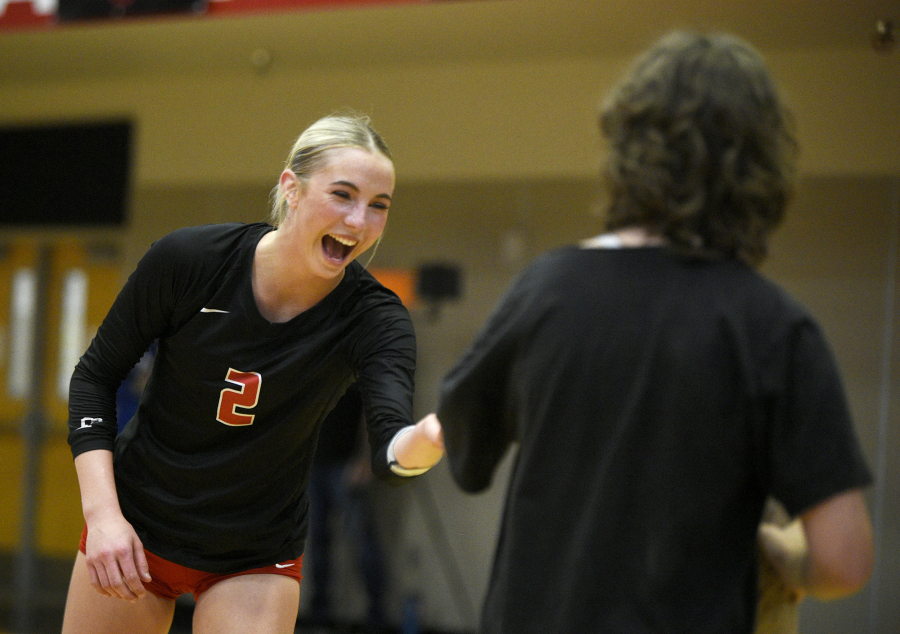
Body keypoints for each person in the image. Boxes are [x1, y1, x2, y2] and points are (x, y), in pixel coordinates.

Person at [430, 31, 875, 634]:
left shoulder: (545, 291)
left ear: (628, 149)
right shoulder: (774, 327)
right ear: (763, 167)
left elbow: (462, 438)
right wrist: (777, 553)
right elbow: (843, 560)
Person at [61, 112, 445, 634]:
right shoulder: (191, 261)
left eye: (379, 206)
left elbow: (389, 448)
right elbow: (93, 378)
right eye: (343, 195)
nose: (359, 221)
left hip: (255, 554)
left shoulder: (375, 317)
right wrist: (102, 515)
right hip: (137, 527)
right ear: (292, 187)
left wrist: (428, 438)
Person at [307, 384, 388, 632]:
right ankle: (319, 612)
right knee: (317, 540)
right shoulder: (314, 361)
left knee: (362, 539)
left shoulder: (355, 359)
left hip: (345, 464)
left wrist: (365, 459)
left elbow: (372, 412)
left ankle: (376, 612)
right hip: (312, 464)